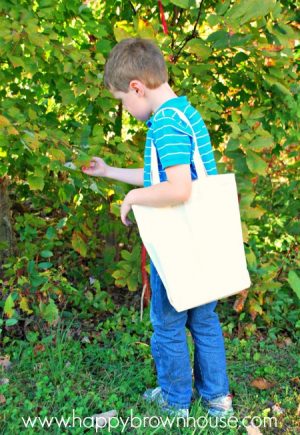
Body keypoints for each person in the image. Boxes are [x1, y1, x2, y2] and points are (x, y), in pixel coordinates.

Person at [82, 38, 234, 418]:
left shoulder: (163, 124)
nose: (126, 108)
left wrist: (132, 199)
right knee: (204, 319)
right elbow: (162, 176)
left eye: (122, 100)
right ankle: (217, 399)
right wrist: (110, 172)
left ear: (137, 88)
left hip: (180, 244)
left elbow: (178, 189)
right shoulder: (184, 113)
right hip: (203, 241)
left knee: (167, 321)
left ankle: (175, 400)